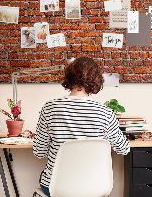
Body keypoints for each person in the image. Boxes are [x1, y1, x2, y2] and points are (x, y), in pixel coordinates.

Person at [33, 56, 130, 196]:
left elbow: (39, 152)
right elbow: (123, 149)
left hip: (56, 189)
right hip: (94, 188)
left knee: (47, 176)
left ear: (69, 77)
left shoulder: (50, 108)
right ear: (96, 80)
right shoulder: (105, 113)